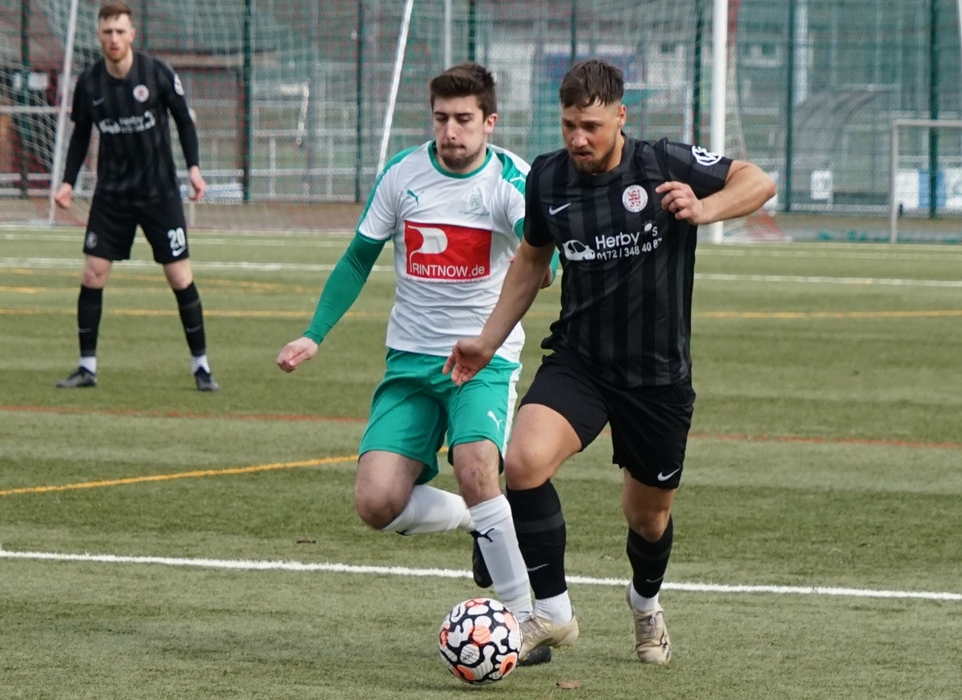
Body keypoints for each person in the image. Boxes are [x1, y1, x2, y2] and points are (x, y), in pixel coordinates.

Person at [445, 58, 777, 664]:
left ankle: (645, 603)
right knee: (523, 462)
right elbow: (530, 261)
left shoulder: (663, 163)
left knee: (647, 518)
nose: (579, 138)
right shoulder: (548, 178)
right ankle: (552, 614)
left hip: (656, 377)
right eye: (569, 125)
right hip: (581, 361)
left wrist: (705, 208)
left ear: (621, 117)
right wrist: (488, 340)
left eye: (591, 126)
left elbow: (758, 181)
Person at [276, 63, 556, 663]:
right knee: (376, 503)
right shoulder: (403, 174)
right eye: (441, 118)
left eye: (464, 119)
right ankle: (479, 523)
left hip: (483, 361)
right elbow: (358, 258)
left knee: (476, 466)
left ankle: (521, 623)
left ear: (489, 121)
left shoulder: (512, 179)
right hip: (409, 362)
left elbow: (542, 255)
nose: (450, 131)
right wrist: (314, 333)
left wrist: (544, 268)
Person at [54, 1, 218, 392]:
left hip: (159, 193)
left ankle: (201, 366)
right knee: (93, 273)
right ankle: (87, 367)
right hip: (112, 196)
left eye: (120, 31)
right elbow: (80, 135)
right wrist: (68, 182)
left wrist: (194, 169)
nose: (113, 38)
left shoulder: (157, 73)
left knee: (179, 276)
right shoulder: (89, 82)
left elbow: (183, 121)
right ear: (99, 36)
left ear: (132, 34)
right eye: (107, 32)